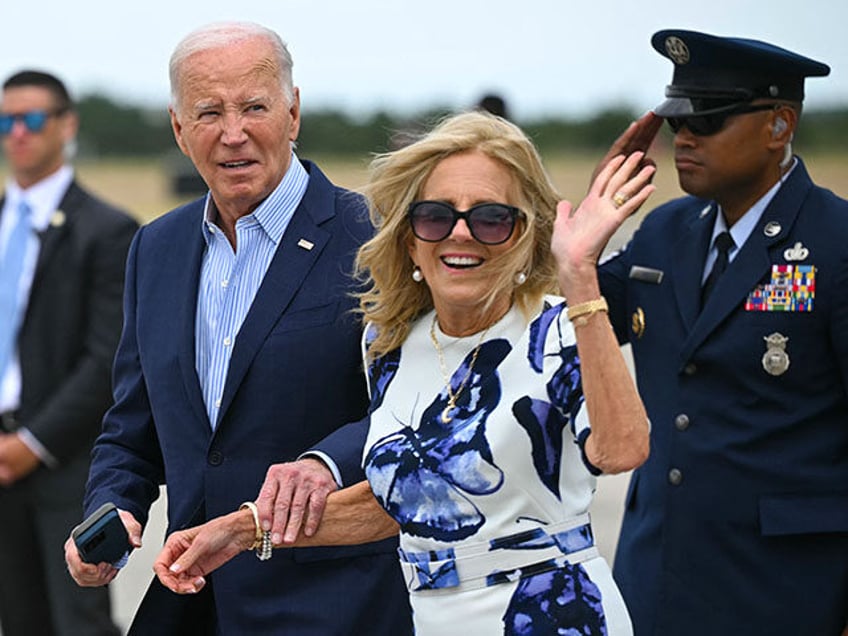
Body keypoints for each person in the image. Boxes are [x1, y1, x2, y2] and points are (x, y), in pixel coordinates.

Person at [153, 110, 656, 634]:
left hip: (554, 616)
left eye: (490, 218)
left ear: (526, 236)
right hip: (433, 619)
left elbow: (623, 450)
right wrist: (240, 530)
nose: (461, 235)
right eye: (436, 216)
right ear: (410, 238)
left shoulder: (561, 329)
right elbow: (401, 504)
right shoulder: (390, 344)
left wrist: (581, 277)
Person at [63, 21, 411, 635]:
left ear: (293, 112)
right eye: (208, 113)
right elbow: (131, 427)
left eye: (255, 107)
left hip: (336, 601)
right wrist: (110, 511)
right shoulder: (155, 248)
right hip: (193, 599)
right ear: (178, 128)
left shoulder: (378, 237)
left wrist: (324, 463)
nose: (233, 134)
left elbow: (412, 406)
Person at [595, 30, 848, 635]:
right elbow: (562, 320)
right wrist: (585, 226)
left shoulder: (836, 243)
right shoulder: (664, 230)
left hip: (788, 591)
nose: (684, 138)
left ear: (779, 126)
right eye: (678, 120)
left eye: (708, 121)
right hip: (656, 579)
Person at [0, 70, 138, 636]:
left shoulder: (108, 230)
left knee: (77, 622)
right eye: (7, 121)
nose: (18, 134)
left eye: (32, 119)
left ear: (67, 125)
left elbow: (108, 355)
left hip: (64, 460)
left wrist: (31, 443)